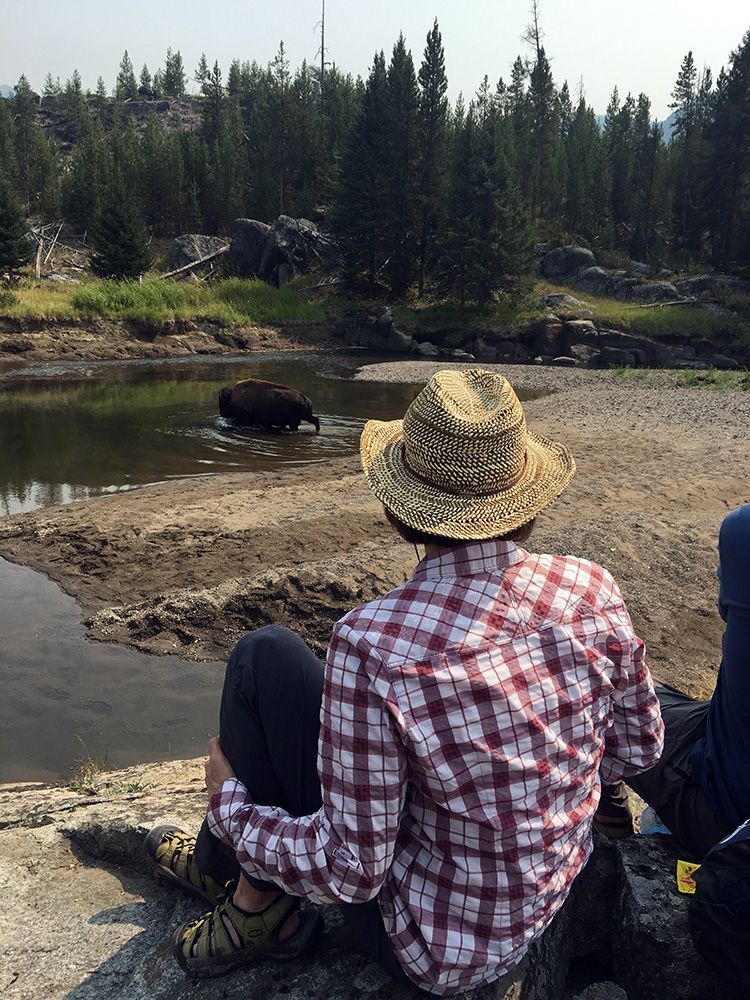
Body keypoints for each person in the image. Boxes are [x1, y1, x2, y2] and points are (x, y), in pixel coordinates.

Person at [145, 369, 664, 996]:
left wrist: (230, 808)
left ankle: (253, 903)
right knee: (291, 670)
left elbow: (353, 871)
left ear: (402, 515)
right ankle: (232, 870)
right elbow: (639, 751)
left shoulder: (372, 644)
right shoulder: (592, 589)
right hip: (544, 899)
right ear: (525, 502)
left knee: (265, 655)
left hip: (429, 947)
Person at [598, 504, 750, 859]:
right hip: (721, 739)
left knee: (604, 691)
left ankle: (611, 845)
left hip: (731, 823)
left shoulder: (742, 531)